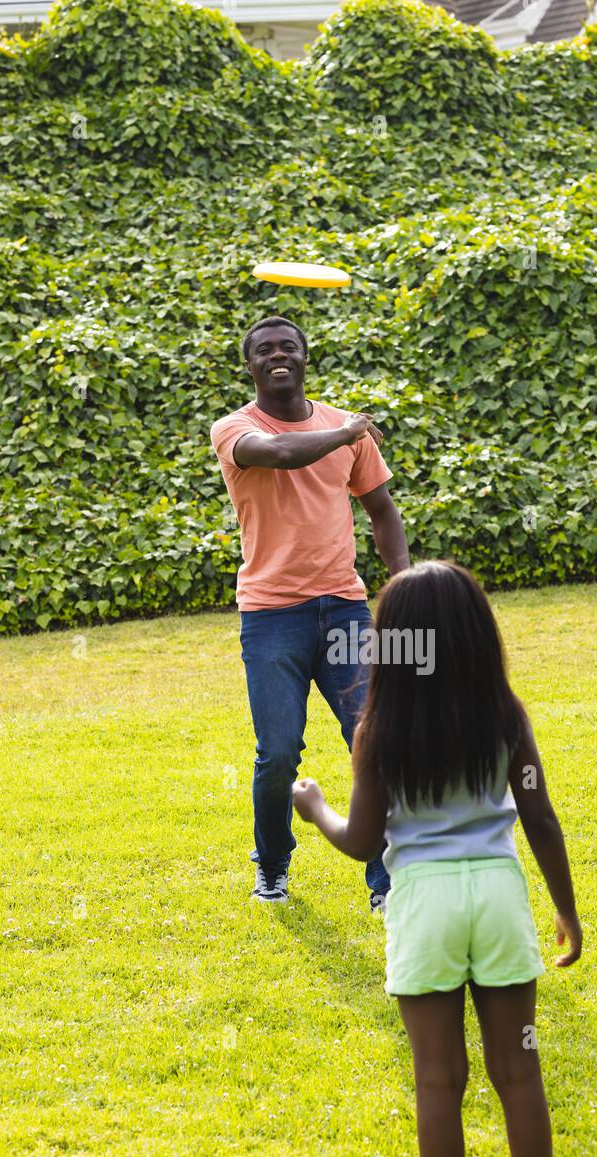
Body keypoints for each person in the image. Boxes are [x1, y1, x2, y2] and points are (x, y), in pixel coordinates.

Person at [292, 561, 584, 1157]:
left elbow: (361, 842)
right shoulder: (505, 717)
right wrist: (566, 910)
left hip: (422, 905)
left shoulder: (379, 731)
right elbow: (538, 817)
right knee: (518, 1069)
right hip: (496, 897)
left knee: (436, 1077)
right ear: (478, 636)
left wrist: (313, 806)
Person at [210, 315, 409, 907]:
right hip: (271, 615)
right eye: (265, 349)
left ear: (304, 358)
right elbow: (279, 453)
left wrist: (402, 585)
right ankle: (272, 865)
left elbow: (382, 512)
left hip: (346, 609)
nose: (278, 355)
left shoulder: (346, 431)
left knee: (371, 739)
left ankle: (387, 880)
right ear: (249, 365)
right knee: (277, 752)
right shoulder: (235, 428)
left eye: (288, 347)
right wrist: (347, 434)